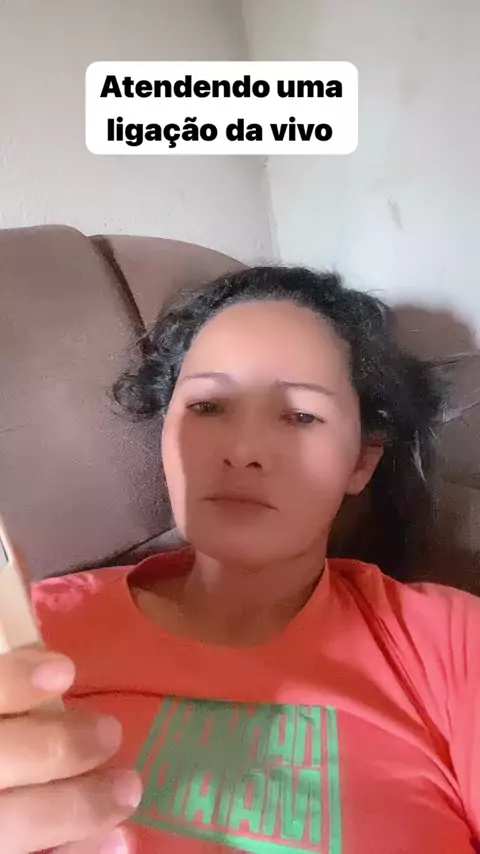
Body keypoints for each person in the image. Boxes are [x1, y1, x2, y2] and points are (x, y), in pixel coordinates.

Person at [2, 266, 479, 854]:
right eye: (207, 406)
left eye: (301, 416)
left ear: (361, 461)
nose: (243, 451)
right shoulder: (35, 630)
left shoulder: (452, 645)